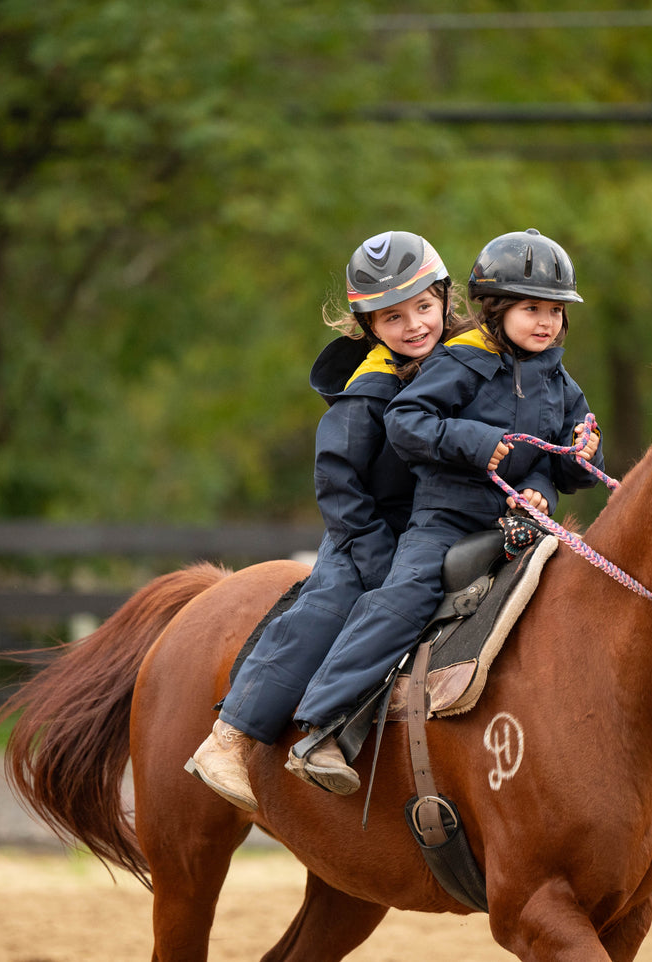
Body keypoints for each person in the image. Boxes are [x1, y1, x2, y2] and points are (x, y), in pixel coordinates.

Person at [286, 228, 604, 794]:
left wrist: (575, 464)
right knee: (405, 596)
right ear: (496, 309)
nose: (546, 322)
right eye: (531, 308)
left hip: (516, 527)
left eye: (555, 311)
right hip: (444, 520)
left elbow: (567, 470)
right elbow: (406, 421)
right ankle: (321, 726)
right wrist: (478, 443)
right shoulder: (461, 361)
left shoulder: (564, 385)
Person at [186, 230, 463, 811]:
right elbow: (338, 485)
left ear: (444, 299)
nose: (413, 325)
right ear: (369, 327)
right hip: (367, 530)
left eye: (423, 307)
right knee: (329, 605)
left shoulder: (473, 364)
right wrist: (376, 558)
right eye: (392, 317)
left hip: (448, 523)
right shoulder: (365, 394)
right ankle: (231, 735)